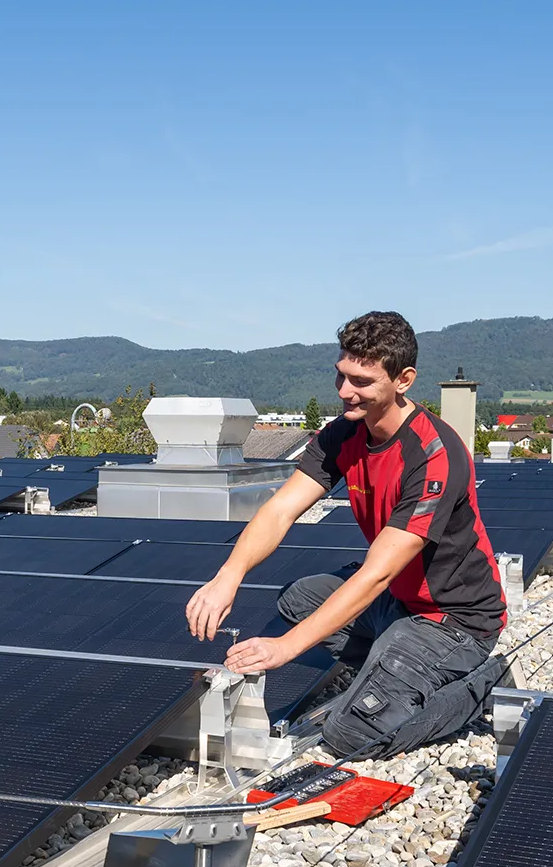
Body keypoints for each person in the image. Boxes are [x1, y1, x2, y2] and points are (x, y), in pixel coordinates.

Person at [185, 310, 511, 758]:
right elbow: (281, 509)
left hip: (453, 619)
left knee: (351, 737)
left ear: (403, 380)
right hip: (398, 600)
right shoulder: (344, 434)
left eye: (361, 381)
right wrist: (228, 575)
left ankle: (480, 685)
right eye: (340, 375)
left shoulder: (433, 455)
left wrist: (284, 649)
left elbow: (376, 573)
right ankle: (391, 662)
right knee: (298, 600)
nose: (344, 392)